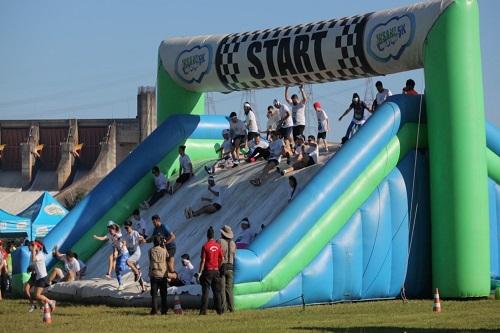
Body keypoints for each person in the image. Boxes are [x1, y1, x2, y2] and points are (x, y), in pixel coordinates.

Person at [198, 226, 223, 315]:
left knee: (206, 291)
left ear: (207, 236)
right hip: (216, 270)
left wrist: (200, 272)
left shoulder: (205, 246)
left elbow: (203, 260)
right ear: (213, 235)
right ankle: (219, 311)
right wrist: (218, 267)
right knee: (217, 292)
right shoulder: (218, 246)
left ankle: (203, 311)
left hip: (207, 271)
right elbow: (222, 258)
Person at [29, 241, 56, 312]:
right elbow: (34, 263)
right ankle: (43, 307)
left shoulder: (40, 254)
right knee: (36, 295)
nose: (31, 247)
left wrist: (34, 250)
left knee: (37, 295)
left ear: (38, 247)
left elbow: (33, 259)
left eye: (32, 246)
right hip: (39, 277)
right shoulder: (36, 254)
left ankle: (51, 302)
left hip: (42, 277)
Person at [123, 221, 146, 292]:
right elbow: (125, 246)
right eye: (125, 228)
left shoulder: (135, 233)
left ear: (131, 226)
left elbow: (141, 239)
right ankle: (143, 287)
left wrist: (141, 238)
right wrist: (123, 245)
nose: (126, 229)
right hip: (132, 254)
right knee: (136, 273)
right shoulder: (126, 236)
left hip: (136, 252)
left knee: (128, 262)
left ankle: (137, 272)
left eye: (127, 228)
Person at [149, 235, 168, 315]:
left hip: (154, 273)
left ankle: (154, 310)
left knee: (154, 294)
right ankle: (164, 310)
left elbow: (150, 259)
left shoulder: (151, 250)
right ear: (160, 242)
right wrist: (164, 245)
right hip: (163, 274)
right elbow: (168, 256)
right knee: (164, 294)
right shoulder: (163, 250)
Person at [218, 225, 236, 313]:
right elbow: (234, 256)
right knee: (229, 289)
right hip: (231, 267)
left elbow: (217, 255)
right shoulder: (233, 243)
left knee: (222, 289)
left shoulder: (220, 242)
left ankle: (224, 309)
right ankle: (232, 308)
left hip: (222, 267)